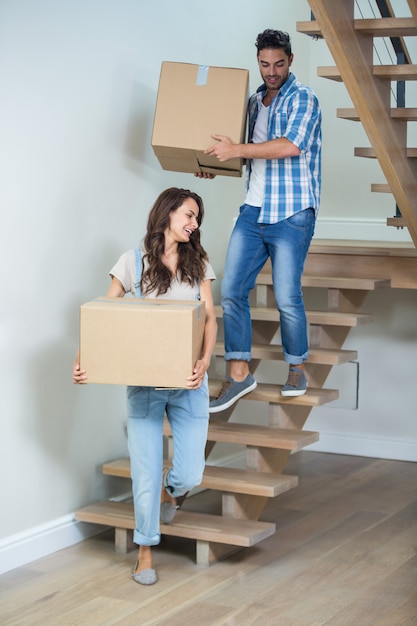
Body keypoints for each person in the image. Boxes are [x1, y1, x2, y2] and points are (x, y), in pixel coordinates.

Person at [73, 187, 217, 585]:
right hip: (145, 386)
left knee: (189, 473)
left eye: (197, 218)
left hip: (190, 383)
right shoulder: (132, 261)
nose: (194, 224)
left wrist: (204, 362)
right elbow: (104, 313)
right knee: (146, 472)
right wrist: (83, 358)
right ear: (168, 212)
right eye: (189, 214)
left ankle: (173, 495)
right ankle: (145, 551)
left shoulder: (198, 261)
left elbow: (209, 320)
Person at [198, 29, 322, 412]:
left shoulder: (304, 98)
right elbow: (247, 154)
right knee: (232, 289)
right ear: (258, 61)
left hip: (292, 210)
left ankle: (297, 367)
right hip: (254, 209)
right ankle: (239, 375)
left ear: (291, 60)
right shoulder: (252, 102)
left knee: (287, 296)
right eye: (265, 64)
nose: (272, 71)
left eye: (279, 64)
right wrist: (214, 164)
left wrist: (237, 148)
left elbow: (289, 145)